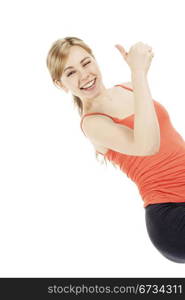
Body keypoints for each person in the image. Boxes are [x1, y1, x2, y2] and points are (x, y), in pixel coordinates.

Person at [46, 36, 185, 263]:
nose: (84, 75)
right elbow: (148, 146)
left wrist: (138, 75)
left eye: (86, 62)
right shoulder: (92, 123)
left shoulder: (128, 88)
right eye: (70, 73)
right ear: (60, 84)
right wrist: (138, 72)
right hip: (170, 216)